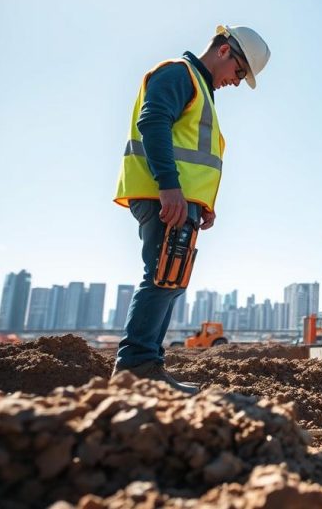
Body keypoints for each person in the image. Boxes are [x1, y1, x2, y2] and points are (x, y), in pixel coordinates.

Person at [112, 25, 271, 394]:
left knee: (170, 279)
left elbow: (193, 153)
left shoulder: (200, 88)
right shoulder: (179, 74)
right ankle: (135, 366)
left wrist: (203, 202)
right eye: (240, 71)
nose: (237, 81)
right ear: (224, 51)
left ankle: (147, 364)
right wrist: (169, 186)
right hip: (162, 195)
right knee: (161, 277)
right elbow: (153, 122)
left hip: (180, 201)